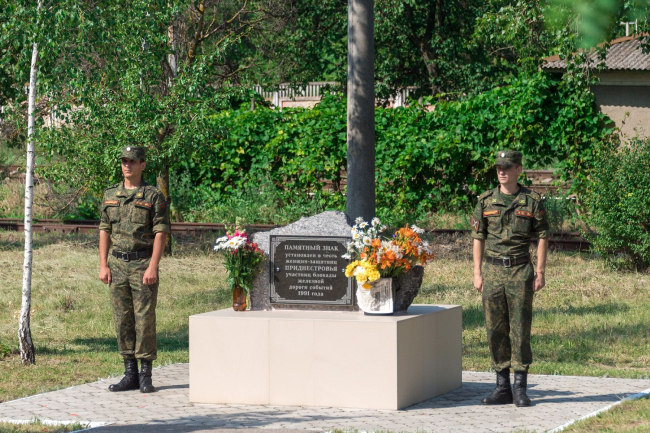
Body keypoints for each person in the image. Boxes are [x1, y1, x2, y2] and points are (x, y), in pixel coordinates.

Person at [471, 150, 549, 407]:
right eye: (499, 168)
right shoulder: (485, 201)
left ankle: (520, 388)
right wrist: (477, 273)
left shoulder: (532, 201)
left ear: (518, 170)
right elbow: (478, 238)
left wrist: (540, 272)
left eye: (507, 167)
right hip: (492, 272)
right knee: (495, 329)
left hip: (520, 271)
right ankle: (502, 386)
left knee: (520, 329)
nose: (502, 172)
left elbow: (542, 237)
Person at [98, 146, 170, 393]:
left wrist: (153, 266)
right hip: (117, 265)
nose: (127, 165)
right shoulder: (110, 194)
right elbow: (104, 230)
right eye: (124, 161)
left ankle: (145, 375)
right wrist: (103, 265)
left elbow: (161, 232)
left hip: (142, 265)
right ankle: (130, 373)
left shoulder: (153, 196)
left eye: (132, 161)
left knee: (144, 319)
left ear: (142, 164)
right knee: (122, 319)